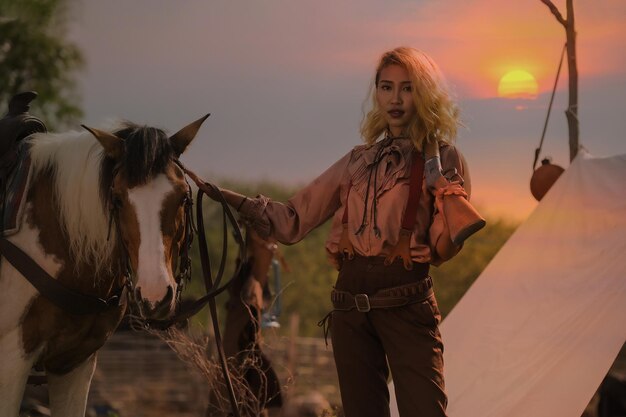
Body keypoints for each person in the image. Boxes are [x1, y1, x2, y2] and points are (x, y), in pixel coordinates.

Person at [193, 46, 474, 417]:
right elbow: (294, 219)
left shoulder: (443, 157)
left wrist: (436, 251)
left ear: (423, 93)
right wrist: (227, 196)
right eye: (386, 87)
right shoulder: (357, 160)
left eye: (407, 88)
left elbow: (453, 229)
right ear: (377, 92)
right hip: (350, 308)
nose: (396, 98)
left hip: (406, 304)